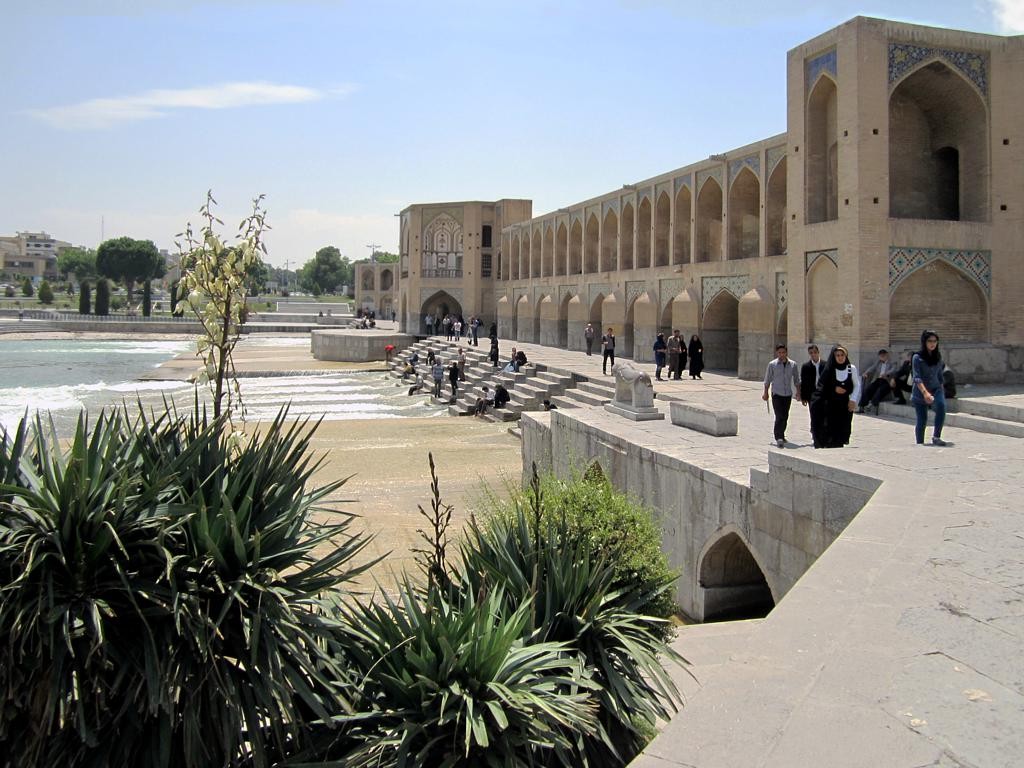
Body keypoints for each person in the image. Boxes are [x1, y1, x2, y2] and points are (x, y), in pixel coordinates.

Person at [810, 345, 862, 449]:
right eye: (837, 355)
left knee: (843, 428)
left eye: (842, 355)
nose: (840, 357)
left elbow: (857, 385)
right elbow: (821, 386)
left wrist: (853, 400)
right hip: (830, 405)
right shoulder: (829, 369)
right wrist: (834, 389)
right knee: (829, 428)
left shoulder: (851, 369)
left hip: (844, 405)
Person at [911, 330, 949, 446]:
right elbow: (917, 377)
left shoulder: (937, 356)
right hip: (920, 391)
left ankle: (936, 436)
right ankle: (920, 443)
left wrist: (942, 389)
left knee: (941, 406)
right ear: (924, 342)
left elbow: (939, 375)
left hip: (936, 388)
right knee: (922, 419)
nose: (932, 344)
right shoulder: (917, 357)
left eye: (935, 341)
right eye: (930, 341)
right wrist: (925, 393)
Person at [762, 344, 801, 448]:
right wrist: (765, 392)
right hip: (776, 394)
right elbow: (767, 380)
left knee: (785, 415)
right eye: (779, 352)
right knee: (779, 415)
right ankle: (778, 436)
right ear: (776, 353)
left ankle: (782, 435)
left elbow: (797, 379)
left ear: (786, 352)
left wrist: (798, 392)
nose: (781, 354)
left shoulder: (793, 364)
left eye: (783, 352)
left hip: (787, 394)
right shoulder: (772, 364)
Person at [859, 349, 900, 414]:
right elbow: (872, 368)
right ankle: (861, 406)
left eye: (883, 356)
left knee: (879, 391)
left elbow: (893, 370)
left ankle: (872, 404)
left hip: (887, 381)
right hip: (879, 380)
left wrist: (886, 374)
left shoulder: (892, 362)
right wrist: (866, 373)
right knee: (868, 389)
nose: (882, 357)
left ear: (887, 355)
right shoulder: (878, 362)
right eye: (880, 356)